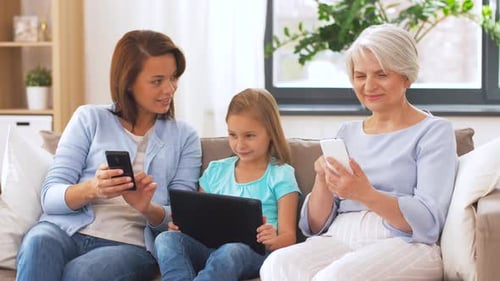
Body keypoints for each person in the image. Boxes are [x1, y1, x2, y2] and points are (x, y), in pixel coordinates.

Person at [260, 24, 459, 281]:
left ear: (407, 76)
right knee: (277, 265)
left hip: (405, 243)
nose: (369, 86)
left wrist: (364, 193)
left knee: (334, 278)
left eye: (382, 74)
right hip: (340, 236)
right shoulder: (347, 132)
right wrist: (322, 181)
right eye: (360, 75)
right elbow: (314, 226)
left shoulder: (433, 131)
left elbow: (429, 222)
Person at [16, 30, 202, 281]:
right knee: (37, 242)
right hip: (64, 231)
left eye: (173, 78)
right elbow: (50, 196)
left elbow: (183, 218)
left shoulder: (185, 137)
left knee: (80, 274)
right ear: (128, 82)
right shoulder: (89, 118)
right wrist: (92, 189)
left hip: (129, 245)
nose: (169, 89)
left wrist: (147, 208)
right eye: (157, 81)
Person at [154, 88, 301, 281]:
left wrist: (272, 240)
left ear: (270, 133)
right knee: (165, 239)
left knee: (231, 251)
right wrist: (184, 227)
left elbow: (289, 237)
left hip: (251, 254)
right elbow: (200, 220)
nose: (240, 144)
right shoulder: (216, 170)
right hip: (209, 248)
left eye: (249, 136)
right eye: (233, 135)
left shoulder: (281, 174)